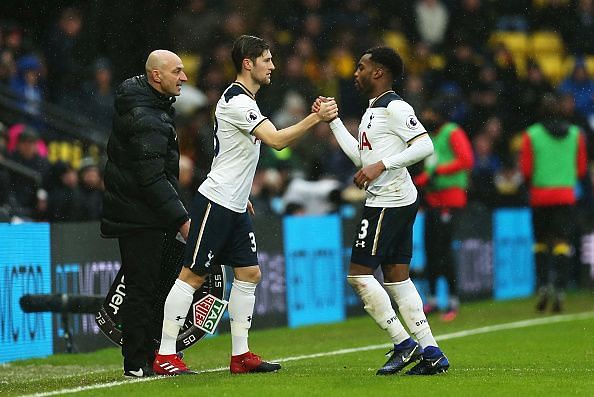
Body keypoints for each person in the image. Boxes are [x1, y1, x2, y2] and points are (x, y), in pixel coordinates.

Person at [153, 35, 337, 375]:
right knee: (192, 275)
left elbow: (232, 153)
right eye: (267, 60)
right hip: (217, 201)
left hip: (235, 203)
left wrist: (244, 195)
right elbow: (278, 142)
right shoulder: (237, 101)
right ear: (248, 63)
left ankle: (241, 355)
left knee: (250, 273)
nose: (273, 66)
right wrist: (316, 118)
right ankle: (165, 353)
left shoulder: (246, 101)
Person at [314, 46, 448, 375]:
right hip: (396, 198)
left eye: (361, 67)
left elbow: (425, 145)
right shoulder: (373, 110)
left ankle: (403, 343)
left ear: (378, 72)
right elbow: (362, 161)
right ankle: (432, 352)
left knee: (358, 276)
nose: (355, 73)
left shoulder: (395, 106)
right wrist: (333, 123)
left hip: (388, 200)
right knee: (397, 278)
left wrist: (381, 166)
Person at [100, 50, 191, 378]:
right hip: (140, 216)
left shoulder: (152, 107)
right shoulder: (146, 115)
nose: (184, 77)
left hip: (145, 214)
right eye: (177, 71)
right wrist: (182, 219)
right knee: (143, 287)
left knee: (151, 285)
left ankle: (150, 356)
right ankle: (137, 362)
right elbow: (151, 178)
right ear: (156, 76)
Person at [519, 94, 588, 313]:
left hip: (540, 197)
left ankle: (543, 285)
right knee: (561, 243)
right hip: (565, 196)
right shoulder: (576, 135)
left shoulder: (532, 135)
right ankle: (559, 287)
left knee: (540, 242)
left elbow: (527, 170)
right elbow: (581, 169)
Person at [414, 99, 474, 321]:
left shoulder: (452, 132)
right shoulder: (428, 137)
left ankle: (452, 301)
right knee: (431, 249)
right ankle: (431, 301)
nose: (427, 116)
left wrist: (437, 172)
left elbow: (466, 160)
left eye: (430, 111)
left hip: (450, 198)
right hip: (433, 199)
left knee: (445, 251)